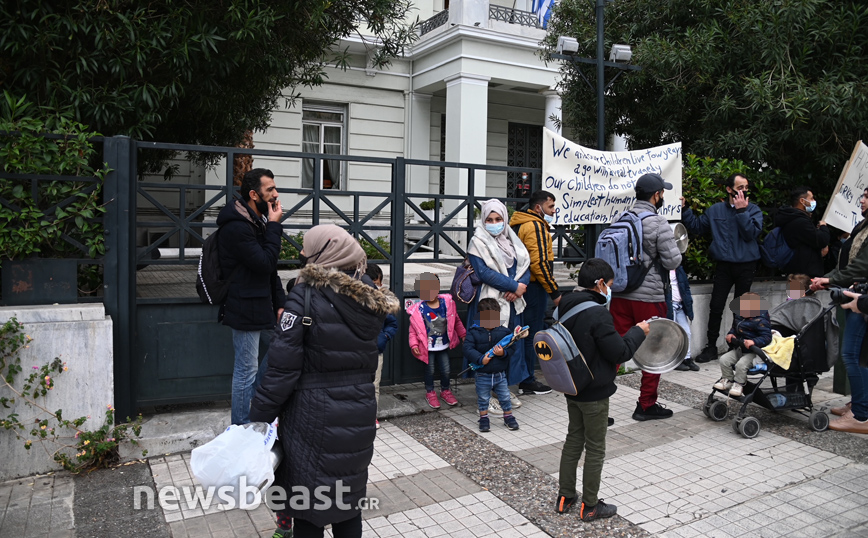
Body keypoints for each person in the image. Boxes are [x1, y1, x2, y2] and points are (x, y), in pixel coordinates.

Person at [249, 224, 399, 538]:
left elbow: (280, 369)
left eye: (307, 249)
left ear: (321, 254)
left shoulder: (305, 296)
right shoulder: (369, 297)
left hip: (312, 417)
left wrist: (257, 420)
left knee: (307, 508)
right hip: (358, 413)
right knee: (348, 502)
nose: (302, 254)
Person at [555, 259, 649, 520]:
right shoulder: (597, 313)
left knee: (573, 438)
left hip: (571, 386)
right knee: (595, 447)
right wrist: (637, 332)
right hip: (594, 390)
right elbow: (620, 351)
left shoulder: (565, 304)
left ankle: (565, 497)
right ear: (599, 284)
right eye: (609, 285)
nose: (610, 290)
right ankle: (591, 505)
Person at [609, 173, 682, 421]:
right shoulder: (659, 222)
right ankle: (646, 404)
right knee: (654, 349)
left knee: (614, 349)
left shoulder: (621, 218)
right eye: (662, 192)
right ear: (656, 195)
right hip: (648, 298)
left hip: (619, 294)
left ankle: (598, 403)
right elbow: (672, 261)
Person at [216, 168, 286, 425]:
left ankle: (254, 403)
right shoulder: (237, 226)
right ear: (254, 194)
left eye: (274, 188)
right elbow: (265, 262)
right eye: (270, 190)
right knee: (245, 371)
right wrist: (275, 226)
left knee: (282, 346)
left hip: (262, 305)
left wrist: (280, 303)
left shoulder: (257, 221)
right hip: (244, 307)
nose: (276, 194)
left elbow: (270, 272)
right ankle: (241, 428)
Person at [681, 173, 763, 364]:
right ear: (729, 189)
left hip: (746, 265)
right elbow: (697, 227)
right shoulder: (716, 210)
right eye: (740, 187)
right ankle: (711, 347)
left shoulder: (753, 210)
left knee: (742, 308)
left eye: (746, 188)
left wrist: (742, 212)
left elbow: (751, 234)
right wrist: (685, 208)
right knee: (716, 305)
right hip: (724, 265)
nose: (744, 191)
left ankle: (737, 346)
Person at [811, 188, 868, 434]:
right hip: (853, 293)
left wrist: (829, 279)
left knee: (853, 357)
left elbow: (859, 266)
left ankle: (862, 415)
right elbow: (849, 263)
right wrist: (829, 279)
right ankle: (859, 404)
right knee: (858, 356)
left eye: (867, 196)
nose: (862, 200)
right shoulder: (863, 225)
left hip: (861, 299)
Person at [467, 199, 532, 397]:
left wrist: (518, 289)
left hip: (512, 302)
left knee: (510, 343)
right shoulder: (477, 241)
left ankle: (503, 388)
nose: (494, 223)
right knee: (489, 343)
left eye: (498, 219)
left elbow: (524, 267)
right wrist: (513, 286)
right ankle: (488, 391)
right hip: (490, 302)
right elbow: (484, 273)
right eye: (490, 219)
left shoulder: (513, 241)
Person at [509, 190, 560, 395]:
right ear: (538, 207)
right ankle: (528, 380)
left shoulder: (518, 223)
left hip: (519, 286)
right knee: (531, 334)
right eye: (550, 207)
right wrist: (554, 292)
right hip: (533, 287)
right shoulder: (534, 225)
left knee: (520, 332)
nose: (554, 211)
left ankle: (522, 376)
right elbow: (539, 263)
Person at [408, 272, 466, 409]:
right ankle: (430, 392)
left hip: (443, 345)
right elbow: (413, 330)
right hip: (427, 348)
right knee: (430, 370)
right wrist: (414, 344)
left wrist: (463, 334)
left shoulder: (447, 304)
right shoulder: (418, 309)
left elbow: (456, 320)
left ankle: (445, 390)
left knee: (446, 370)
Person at [464, 298, 520, 432]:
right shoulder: (474, 332)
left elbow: (512, 348)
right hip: (482, 373)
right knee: (483, 397)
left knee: (505, 396)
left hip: (500, 374)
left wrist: (503, 353)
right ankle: (483, 418)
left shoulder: (504, 332)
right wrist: (479, 359)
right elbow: (467, 348)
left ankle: (508, 417)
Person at [712, 293, 773, 397]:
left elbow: (767, 337)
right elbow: (734, 328)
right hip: (740, 348)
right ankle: (728, 379)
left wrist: (754, 341)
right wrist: (731, 334)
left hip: (753, 353)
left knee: (741, 365)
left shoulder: (761, 321)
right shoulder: (739, 316)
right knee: (724, 360)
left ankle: (739, 384)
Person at [365, 264, 398, 429]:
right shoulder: (354, 298)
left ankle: (372, 416)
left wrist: (384, 337)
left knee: (374, 385)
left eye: (375, 283)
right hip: (357, 350)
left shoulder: (384, 301)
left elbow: (392, 324)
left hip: (376, 350)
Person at [775, 186, 830, 277]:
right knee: (796, 291)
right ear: (802, 201)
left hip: (798, 272)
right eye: (811, 198)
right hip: (801, 274)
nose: (813, 201)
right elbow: (821, 239)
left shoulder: (792, 217)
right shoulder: (800, 221)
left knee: (797, 291)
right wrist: (824, 227)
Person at [667, 263, 697, 371]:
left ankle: (687, 358)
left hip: (680, 305)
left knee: (686, 331)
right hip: (670, 304)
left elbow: (686, 287)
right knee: (672, 333)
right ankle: (675, 360)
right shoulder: (662, 269)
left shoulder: (679, 269)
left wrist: (688, 302)